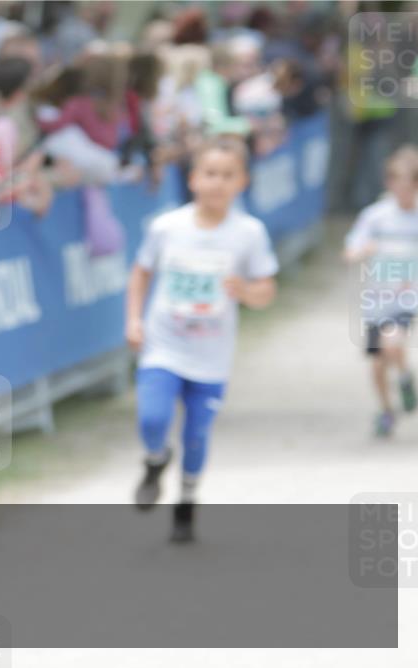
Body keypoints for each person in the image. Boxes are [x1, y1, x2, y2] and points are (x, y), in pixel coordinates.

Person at [125, 136, 278, 543]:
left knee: (196, 435)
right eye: (210, 173)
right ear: (193, 179)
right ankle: (156, 460)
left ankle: (187, 501)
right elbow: (140, 273)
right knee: (152, 419)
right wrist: (134, 320)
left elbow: (266, 291)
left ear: (242, 182)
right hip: (164, 346)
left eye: (228, 175)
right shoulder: (167, 227)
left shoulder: (249, 233)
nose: (217, 183)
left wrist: (245, 291)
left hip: (211, 356)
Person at [344, 145, 418, 437]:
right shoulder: (375, 217)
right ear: (388, 182)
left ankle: (404, 377)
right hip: (377, 301)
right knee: (377, 364)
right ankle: (387, 410)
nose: (403, 190)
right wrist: (363, 250)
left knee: (392, 343)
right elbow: (350, 251)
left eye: (409, 183)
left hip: (406, 300)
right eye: (397, 182)